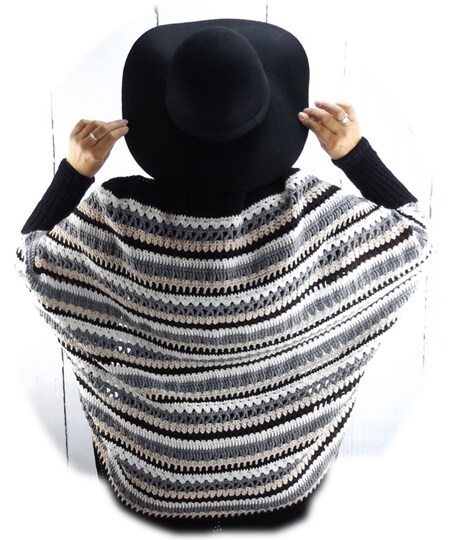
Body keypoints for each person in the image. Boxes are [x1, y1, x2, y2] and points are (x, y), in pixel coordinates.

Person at [16, 19, 430, 532]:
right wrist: (355, 155)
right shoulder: (313, 214)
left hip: (151, 480)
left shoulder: (114, 217)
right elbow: (413, 236)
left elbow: (33, 259)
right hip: (284, 480)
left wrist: (75, 171)